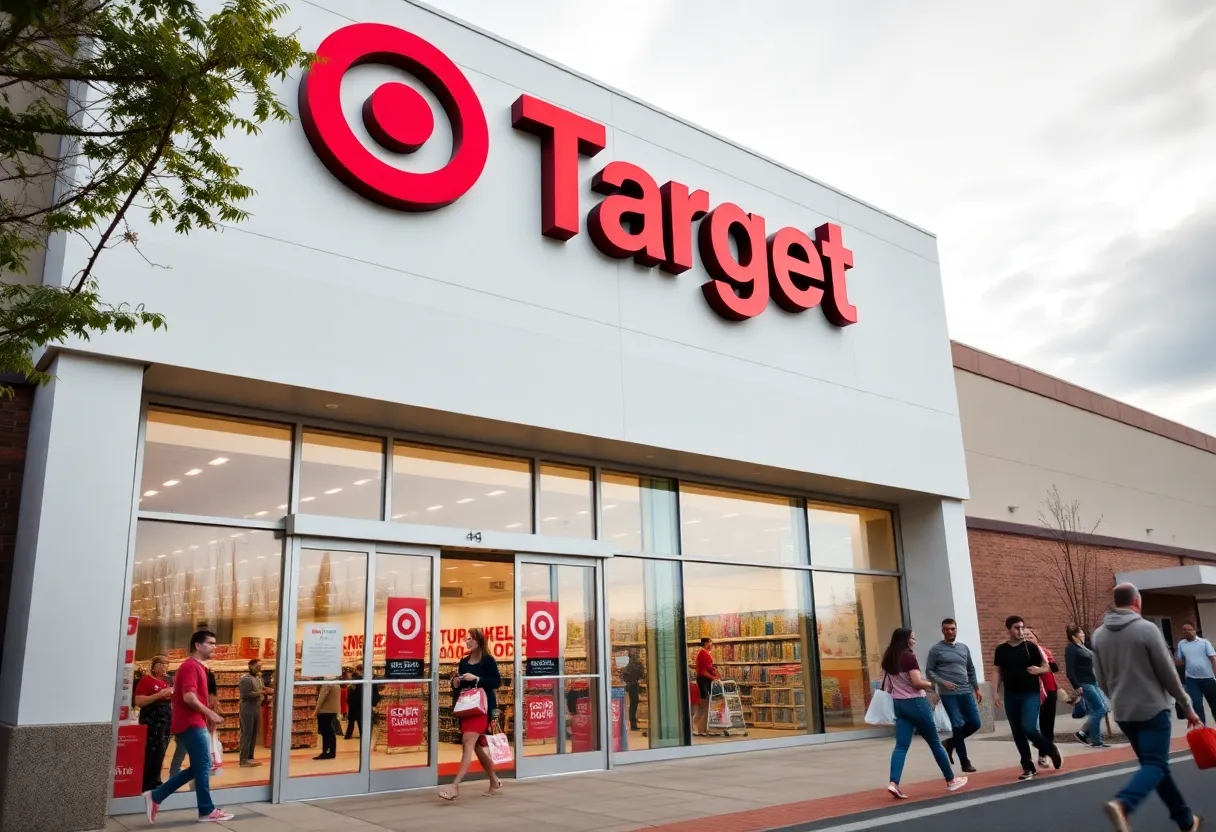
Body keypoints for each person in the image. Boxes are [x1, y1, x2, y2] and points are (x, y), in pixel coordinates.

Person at [1093, 583, 1201, 832]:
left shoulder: (1098, 635)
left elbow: (1100, 678)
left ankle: (1186, 821)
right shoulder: (1147, 629)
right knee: (1155, 765)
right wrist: (1187, 705)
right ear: (1137, 602)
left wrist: (1116, 698)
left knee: (1155, 767)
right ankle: (1123, 803)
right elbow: (1168, 673)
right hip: (1152, 709)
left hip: (1124, 712)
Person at [142, 630, 234, 825]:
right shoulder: (189, 667)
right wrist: (210, 713)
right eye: (210, 643)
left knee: (201, 765)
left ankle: (156, 796)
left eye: (215, 643)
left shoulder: (200, 668)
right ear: (198, 646)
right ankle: (206, 810)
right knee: (203, 765)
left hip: (194, 722)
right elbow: (189, 698)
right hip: (191, 722)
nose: (214, 647)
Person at [883, 628, 968, 799]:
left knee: (901, 746)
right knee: (935, 743)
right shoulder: (908, 656)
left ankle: (894, 783)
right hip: (916, 703)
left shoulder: (888, 658)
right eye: (912, 638)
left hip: (899, 704)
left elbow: (885, 684)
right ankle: (951, 780)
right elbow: (916, 682)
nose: (914, 641)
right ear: (905, 640)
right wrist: (930, 684)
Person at [993, 614, 1061, 781]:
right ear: (1008, 629)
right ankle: (1027, 766)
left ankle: (1049, 748)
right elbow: (997, 671)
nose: (1021, 631)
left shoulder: (1031, 647)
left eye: (1022, 627)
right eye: (1017, 628)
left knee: (1029, 727)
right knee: (1017, 732)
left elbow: (1048, 667)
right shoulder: (1001, 650)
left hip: (1030, 693)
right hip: (1010, 695)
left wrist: (1039, 671)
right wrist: (994, 692)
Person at [439, 629, 503, 800]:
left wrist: (477, 679)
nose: (467, 642)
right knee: (474, 747)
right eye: (465, 639)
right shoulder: (464, 661)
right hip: (467, 708)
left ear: (478, 641)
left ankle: (455, 786)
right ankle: (494, 780)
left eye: (470, 639)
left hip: (482, 709)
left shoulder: (488, 661)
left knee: (467, 744)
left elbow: (497, 682)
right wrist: (456, 682)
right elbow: (460, 686)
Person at [926, 618, 981, 773]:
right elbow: (930, 672)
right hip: (949, 694)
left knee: (975, 723)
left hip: (966, 691)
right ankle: (965, 762)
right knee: (957, 724)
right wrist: (943, 682)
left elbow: (970, 669)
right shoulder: (936, 649)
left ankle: (950, 743)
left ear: (956, 629)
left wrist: (976, 688)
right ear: (942, 631)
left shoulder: (964, 648)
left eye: (952, 629)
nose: (949, 631)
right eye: (946, 629)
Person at [1065, 624, 1111, 748]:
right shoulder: (1071, 649)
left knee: (1102, 708)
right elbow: (1069, 670)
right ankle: (1091, 737)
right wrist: (1076, 685)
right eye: (1081, 633)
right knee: (1100, 708)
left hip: (1093, 682)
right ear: (1074, 636)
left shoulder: (1083, 647)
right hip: (1084, 683)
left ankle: (1089, 736)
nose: (1083, 635)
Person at [170, 666, 219, 778]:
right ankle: (174, 780)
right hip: (189, 723)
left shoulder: (205, 677)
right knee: (186, 753)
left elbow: (211, 700)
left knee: (190, 755)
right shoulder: (189, 676)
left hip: (197, 723)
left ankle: (179, 779)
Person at [134, 656, 174, 792]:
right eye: (160, 664)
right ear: (154, 665)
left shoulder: (169, 681)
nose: (163, 667)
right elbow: (138, 701)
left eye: (166, 665)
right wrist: (159, 695)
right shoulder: (146, 680)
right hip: (151, 720)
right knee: (149, 750)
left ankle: (155, 779)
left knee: (161, 750)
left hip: (165, 721)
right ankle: (145, 782)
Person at [1026, 628, 1061, 769]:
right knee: (1030, 726)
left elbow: (1055, 669)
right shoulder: (1023, 654)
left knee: (1047, 724)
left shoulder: (1045, 652)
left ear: (1036, 637)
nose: (1027, 637)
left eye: (1030, 635)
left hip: (1049, 690)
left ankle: (1043, 754)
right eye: (1025, 635)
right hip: (1032, 692)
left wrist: (1046, 665)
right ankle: (1041, 745)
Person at [1174, 622, 1216, 725]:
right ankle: (1202, 730)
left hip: (1208, 678)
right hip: (1192, 679)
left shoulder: (1204, 642)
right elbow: (1180, 660)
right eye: (1184, 630)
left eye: (1189, 629)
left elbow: (1213, 659)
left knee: (1214, 704)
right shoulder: (1181, 644)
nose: (1187, 631)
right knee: (1196, 705)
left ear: (1194, 630)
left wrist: (1215, 674)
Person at [238, 659, 271, 767]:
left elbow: (262, 688)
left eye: (261, 665)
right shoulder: (245, 679)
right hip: (248, 707)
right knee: (247, 733)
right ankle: (243, 759)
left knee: (254, 733)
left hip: (257, 706)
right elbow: (245, 694)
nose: (259, 667)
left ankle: (250, 757)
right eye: (257, 665)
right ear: (250, 666)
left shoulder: (258, 677)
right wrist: (262, 692)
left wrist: (269, 690)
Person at [693, 637, 720, 737]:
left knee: (703, 705)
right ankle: (700, 729)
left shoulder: (704, 654)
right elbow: (702, 671)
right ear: (706, 644)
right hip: (704, 681)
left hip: (703, 680)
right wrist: (713, 677)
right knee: (705, 705)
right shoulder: (704, 654)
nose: (711, 645)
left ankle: (700, 728)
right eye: (710, 643)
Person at [314, 682, 341, 760]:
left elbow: (321, 698)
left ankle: (326, 752)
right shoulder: (336, 684)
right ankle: (331, 751)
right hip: (332, 710)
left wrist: (316, 711)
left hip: (324, 710)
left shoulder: (327, 684)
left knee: (325, 731)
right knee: (330, 731)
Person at [621, 650, 645, 732]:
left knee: (629, 705)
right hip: (634, 685)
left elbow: (622, 674)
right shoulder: (638, 664)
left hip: (626, 686)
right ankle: (633, 725)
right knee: (633, 705)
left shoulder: (625, 663)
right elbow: (642, 675)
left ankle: (630, 724)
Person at [345, 665, 364, 740]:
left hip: (353, 703)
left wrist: (349, 701)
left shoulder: (354, 680)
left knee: (351, 721)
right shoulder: (363, 679)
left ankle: (348, 735)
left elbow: (351, 691)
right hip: (360, 702)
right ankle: (362, 735)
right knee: (360, 721)